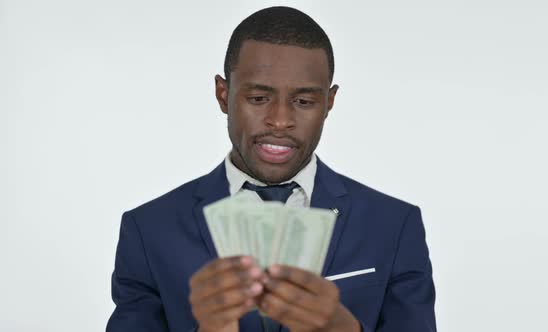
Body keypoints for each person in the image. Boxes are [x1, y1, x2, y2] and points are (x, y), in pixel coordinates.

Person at [107, 6, 436, 332]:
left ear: (329, 102)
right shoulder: (149, 230)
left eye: (304, 101)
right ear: (224, 94)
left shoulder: (394, 226)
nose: (280, 120)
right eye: (259, 98)